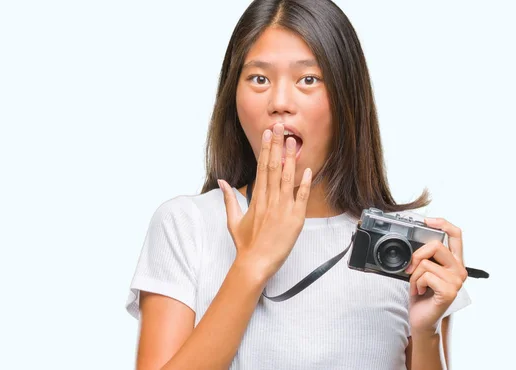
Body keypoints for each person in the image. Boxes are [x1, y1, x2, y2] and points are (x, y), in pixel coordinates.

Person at [125, 0, 471, 369]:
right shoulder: (185, 225)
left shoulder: (400, 248)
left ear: (346, 97)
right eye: (259, 78)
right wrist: (252, 265)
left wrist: (425, 332)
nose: (279, 102)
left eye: (308, 79)